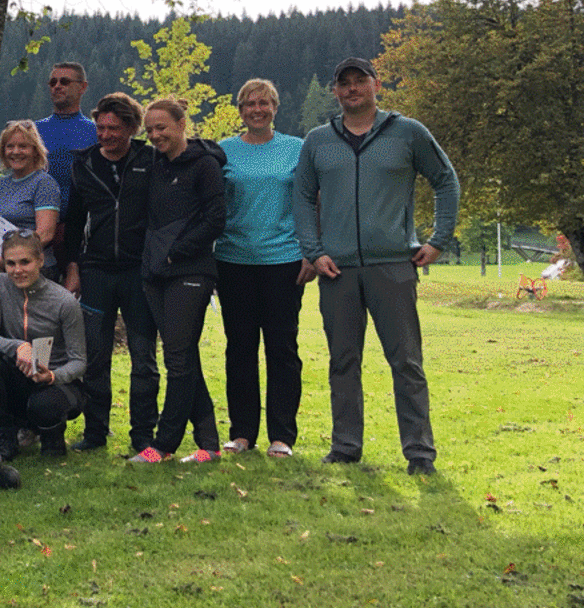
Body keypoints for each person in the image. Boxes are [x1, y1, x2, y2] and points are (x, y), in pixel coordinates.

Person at [295, 57, 459, 476]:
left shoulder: (407, 133)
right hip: (337, 271)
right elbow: (301, 197)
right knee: (342, 361)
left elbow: (445, 180)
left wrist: (438, 240)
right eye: (344, 83)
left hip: (393, 267)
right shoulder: (318, 141)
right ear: (335, 91)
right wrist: (314, 251)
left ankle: (420, 452)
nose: (352, 89)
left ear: (376, 85)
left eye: (360, 81)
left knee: (406, 361)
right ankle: (346, 446)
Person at [216, 79, 314, 458]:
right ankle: (241, 433)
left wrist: (311, 250)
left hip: (284, 261)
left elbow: (311, 201)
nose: (257, 109)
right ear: (239, 110)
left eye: (264, 103)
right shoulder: (223, 151)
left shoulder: (297, 149)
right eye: (249, 104)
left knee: (282, 347)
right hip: (233, 260)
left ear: (275, 107)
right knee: (239, 348)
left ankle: (282, 436)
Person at [129, 98, 226, 465]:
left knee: (177, 358)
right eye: (150, 130)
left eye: (162, 128)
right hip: (155, 273)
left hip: (191, 272)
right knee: (185, 357)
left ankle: (164, 444)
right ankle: (209, 445)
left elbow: (215, 218)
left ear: (182, 124)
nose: (155, 135)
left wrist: (177, 252)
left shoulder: (204, 165)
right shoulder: (152, 164)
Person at [61, 92, 158, 453]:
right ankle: (95, 432)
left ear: (132, 127)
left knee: (143, 358)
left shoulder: (150, 158)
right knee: (95, 357)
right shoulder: (83, 163)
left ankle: (144, 435)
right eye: (100, 128)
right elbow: (72, 223)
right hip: (97, 270)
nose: (105, 135)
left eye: (114, 129)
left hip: (139, 272)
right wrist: (74, 267)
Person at [0, 231, 87, 459]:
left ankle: (51, 435)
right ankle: (6, 434)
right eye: (10, 263)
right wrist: (19, 346)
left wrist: (52, 376)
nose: (17, 270)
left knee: (45, 405)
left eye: (25, 262)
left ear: (40, 261)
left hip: (58, 381)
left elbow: (79, 362)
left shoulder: (64, 302)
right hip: (19, 372)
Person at [0, 120, 60, 278]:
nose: (15, 152)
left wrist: (9, 259)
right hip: (2, 271)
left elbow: (45, 234)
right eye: (10, 146)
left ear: (35, 151)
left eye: (23, 146)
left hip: (34, 271)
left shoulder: (44, 183)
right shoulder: (1, 184)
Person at [33, 61, 96, 211]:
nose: (57, 86)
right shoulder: (33, 131)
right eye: (53, 82)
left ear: (83, 87)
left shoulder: (96, 131)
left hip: (79, 220)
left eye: (65, 82)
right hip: (37, 218)